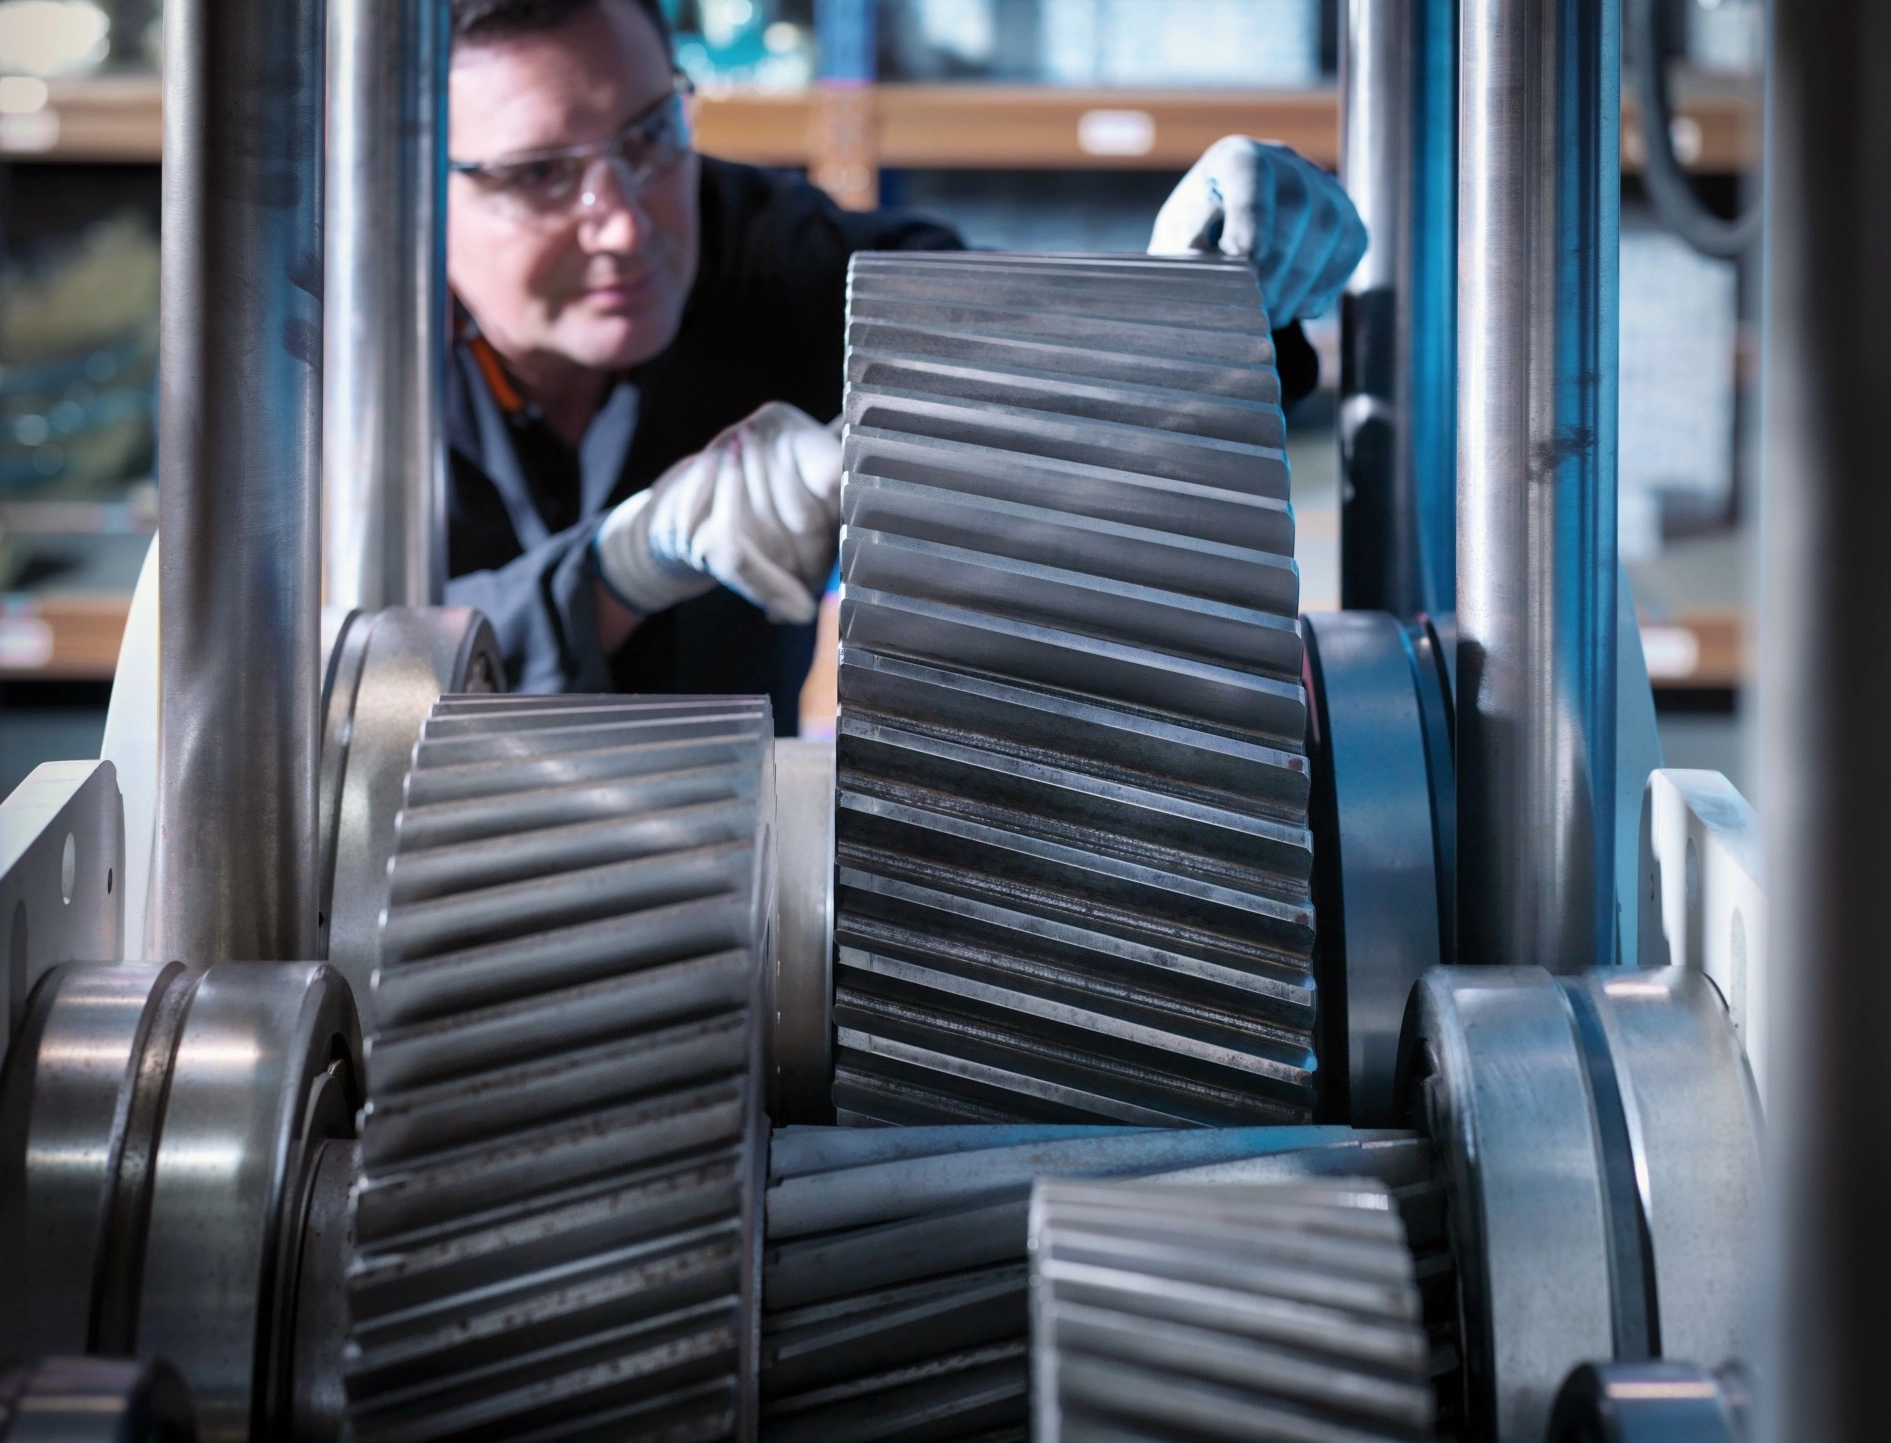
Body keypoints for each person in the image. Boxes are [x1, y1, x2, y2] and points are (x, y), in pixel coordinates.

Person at [443, 0, 1367, 726]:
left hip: (741, 889)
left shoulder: (769, 256)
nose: (625, 222)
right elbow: (335, 698)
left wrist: (1196, 281)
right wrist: (625, 563)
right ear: (413, 185)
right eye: (539, 175)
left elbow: (1026, 343)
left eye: (649, 135)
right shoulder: (324, 363)